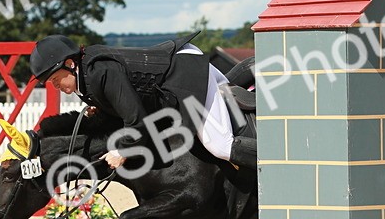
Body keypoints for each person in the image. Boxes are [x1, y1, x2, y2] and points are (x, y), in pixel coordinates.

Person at [28, 34, 256, 172]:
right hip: (183, 66)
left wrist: (122, 151)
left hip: (186, 72)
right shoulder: (86, 75)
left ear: (69, 63)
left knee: (219, 146)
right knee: (231, 102)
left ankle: (281, 163)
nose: (56, 86)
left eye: (55, 80)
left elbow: (136, 120)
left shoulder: (99, 72)